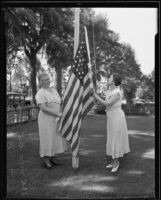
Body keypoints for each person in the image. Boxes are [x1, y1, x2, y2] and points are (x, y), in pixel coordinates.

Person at [92, 73, 130, 173]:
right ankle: (113, 161)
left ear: (113, 81)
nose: (107, 79)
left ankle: (116, 162)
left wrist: (95, 95)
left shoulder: (117, 92)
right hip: (111, 118)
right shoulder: (109, 91)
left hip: (117, 118)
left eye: (109, 78)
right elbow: (106, 105)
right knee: (111, 138)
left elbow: (107, 104)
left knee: (116, 139)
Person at [35, 72, 68, 169]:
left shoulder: (54, 90)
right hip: (46, 119)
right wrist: (57, 113)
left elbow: (59, 102)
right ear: (40, 82)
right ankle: (46, 160)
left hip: (55, 119)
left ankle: (52, 157)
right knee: (47, 138)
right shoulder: (40, 93)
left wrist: (60, 112)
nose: (47, 81)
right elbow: (43, 108)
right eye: (45, 80)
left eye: (48, 79)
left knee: (54, 137)